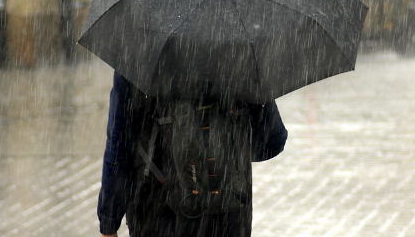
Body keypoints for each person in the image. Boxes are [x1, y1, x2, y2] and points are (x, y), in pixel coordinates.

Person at [98, 71, 288, 237]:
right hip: (229, 211)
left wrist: (109, 221)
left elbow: (119, 145)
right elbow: (272, 141)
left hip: (157, 211)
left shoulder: (141, 50)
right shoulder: (239, 49)